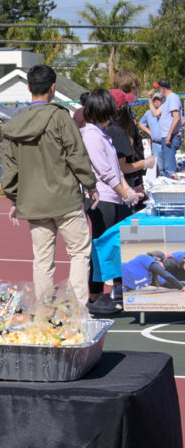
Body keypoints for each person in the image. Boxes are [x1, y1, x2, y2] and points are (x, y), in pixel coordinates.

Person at [2, 65, 99, 307]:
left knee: (43, 260)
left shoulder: (16, 125)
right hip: (65, 199)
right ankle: (77, 307)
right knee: (79, 252)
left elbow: (10, 168)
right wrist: (90, 184)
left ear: (28, 88)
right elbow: (76, 154)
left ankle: (44, 311)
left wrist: (15, 197)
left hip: (34, 203)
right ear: (53, 88)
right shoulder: (60, 117)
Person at [79, 89, 144, 314]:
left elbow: (115, 170)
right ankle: (95, 297)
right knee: (100, 248)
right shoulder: (90, 135)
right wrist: (124, 192)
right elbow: (105, 172)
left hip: (112, 197)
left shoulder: (101, 133)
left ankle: (107, 293)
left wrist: (128, 191)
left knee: (112, 247)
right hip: (101, 199)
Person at [148, 78, 182, 177]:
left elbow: (177, 117)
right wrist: (150, 98)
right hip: (167, 136)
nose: (158, 91)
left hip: (171, 137)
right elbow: (155, 113)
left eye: (159, 89)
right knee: (166, 167)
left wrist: (169, 135)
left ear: (163, 89)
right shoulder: (167, 101)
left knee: (169, 168)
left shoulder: (173, 98)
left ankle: (171, 190)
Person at [140, 93, 164, 173]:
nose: (156, 101)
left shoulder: (166, 111)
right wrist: (149, 132)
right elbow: (141, 124)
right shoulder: (148, 113)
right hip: (156, 144)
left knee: (168, 167)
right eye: (155, 100)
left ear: (162, 101)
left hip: (167, 143)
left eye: (159, 100)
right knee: (158, 167)